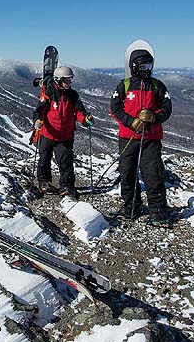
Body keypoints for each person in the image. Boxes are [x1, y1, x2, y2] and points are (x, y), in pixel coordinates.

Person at [109, 40, 173, 226]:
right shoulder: (124, 86)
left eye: (149, 65)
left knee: (152, 174)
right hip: (128, 137)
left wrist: (154, 117)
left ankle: (158, 211)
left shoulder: (157, 86)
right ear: (134, 66)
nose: (147, 69)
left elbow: (167, 108)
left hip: (151, 138)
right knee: (127, 172)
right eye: (143, 65)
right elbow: (115, 108)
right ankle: (131, 206)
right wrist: (132, 122)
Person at [33, 66, 94, 197]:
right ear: (58, 80)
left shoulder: (72, 95)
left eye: (70, 80)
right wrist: (37, 120)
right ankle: (44, 182)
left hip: (64, 136)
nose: (69, 83)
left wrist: (85, 119)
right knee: (44, 159)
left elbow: (79, 111)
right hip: (47, 133)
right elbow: (38, 110)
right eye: (67, 80)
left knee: (66, 162)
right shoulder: (49, 93)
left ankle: (67, 186)